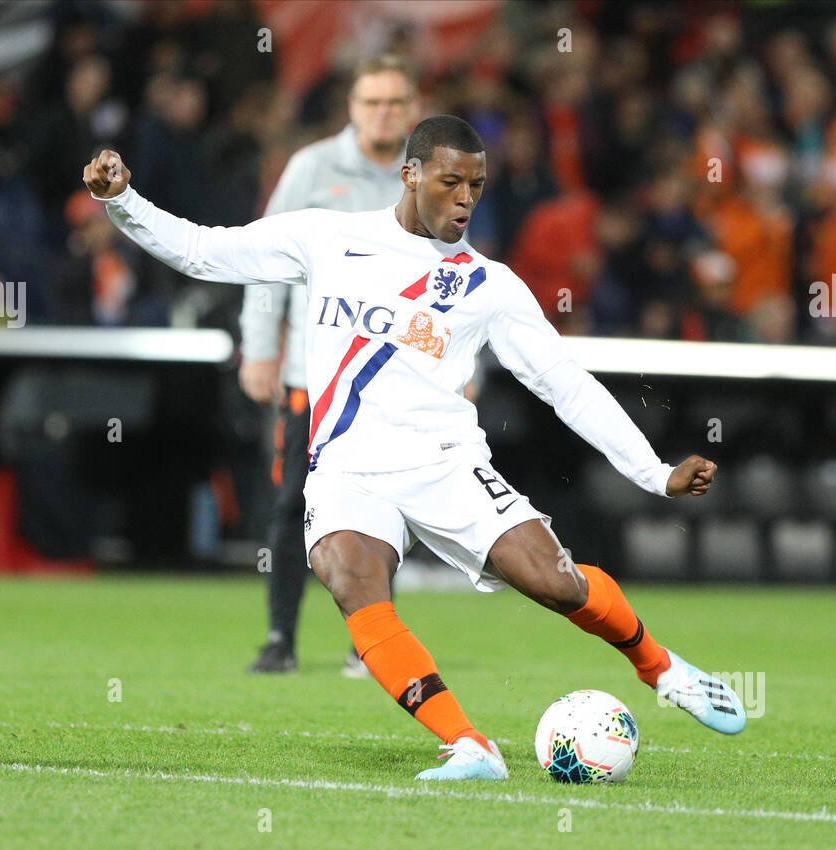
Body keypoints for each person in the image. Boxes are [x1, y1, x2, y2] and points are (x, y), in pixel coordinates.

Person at [83, 115, 746, 781]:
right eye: (450, 181)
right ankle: (468, 745)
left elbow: (565, 385)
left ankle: (660, 667)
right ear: (410, 174)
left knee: (555, 583)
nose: (465, 198)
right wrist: (121, 200)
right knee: (349, 575)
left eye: (477, 186)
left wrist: (654, 472)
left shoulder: (490, 286)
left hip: (445, 462)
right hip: (347, 465)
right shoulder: (328, 236)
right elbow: (204, 250)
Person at [239, 55, 420, 677]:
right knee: (294, 506)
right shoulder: (312, 169)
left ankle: (367, 643)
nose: (383, 114)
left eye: (394, 103)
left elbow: (453, 277)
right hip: (311, 376)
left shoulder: (424, 178)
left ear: (412, 109)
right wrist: (259, 346)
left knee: (383, 509)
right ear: (352, 107)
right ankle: (279, 637)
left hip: (390, 378)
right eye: (373, 102)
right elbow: (265, 260)